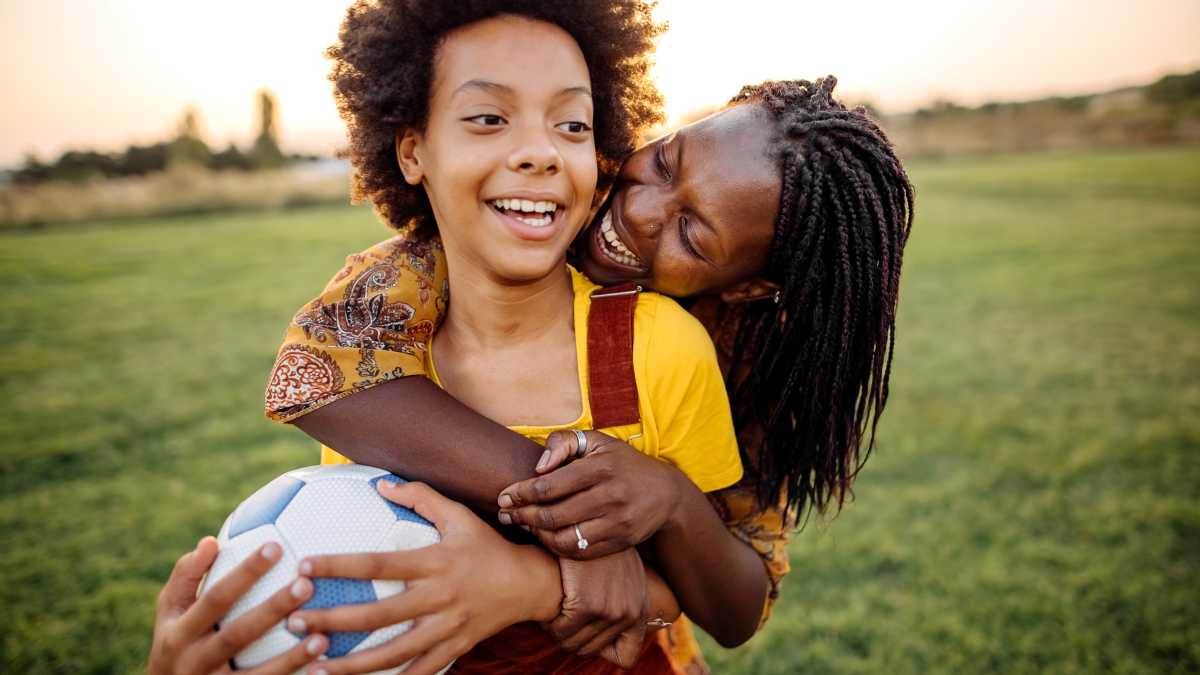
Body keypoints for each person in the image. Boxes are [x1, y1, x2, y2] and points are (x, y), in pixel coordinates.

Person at [150, 2, 746, 674]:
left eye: (572, 124)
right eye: (488, 118)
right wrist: (579, 538)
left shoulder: (660, 347)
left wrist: (565, 561)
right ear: (412, 150)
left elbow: (726, 595)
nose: (539, 152)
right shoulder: (376, 355)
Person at [269, 77, 914, 674]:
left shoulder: (731, 363)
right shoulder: (477, 250)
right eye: (664, 162)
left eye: (691, 234)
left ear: (748, 286)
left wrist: (667, 500)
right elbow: (318, 379)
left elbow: (739, 607)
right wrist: (587, 524)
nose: (641, 211)